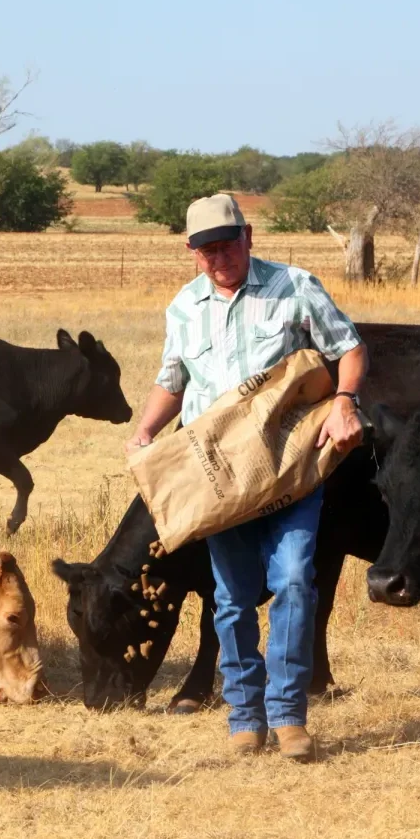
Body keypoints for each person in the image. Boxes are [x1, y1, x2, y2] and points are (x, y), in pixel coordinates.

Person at [125, 194, 368, 761]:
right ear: (191, 253)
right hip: (219, 478)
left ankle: (288, 716)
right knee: (231, 598)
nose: (217, 258)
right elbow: (172, 381)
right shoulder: (184, 307)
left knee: (292, 580)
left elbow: (349, 348)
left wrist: (345, 402)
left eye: (226, 245)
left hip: (289, 466)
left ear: (248, 237)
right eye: (205, 249)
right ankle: (244, 714)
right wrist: (143, 434)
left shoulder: (294, 286)